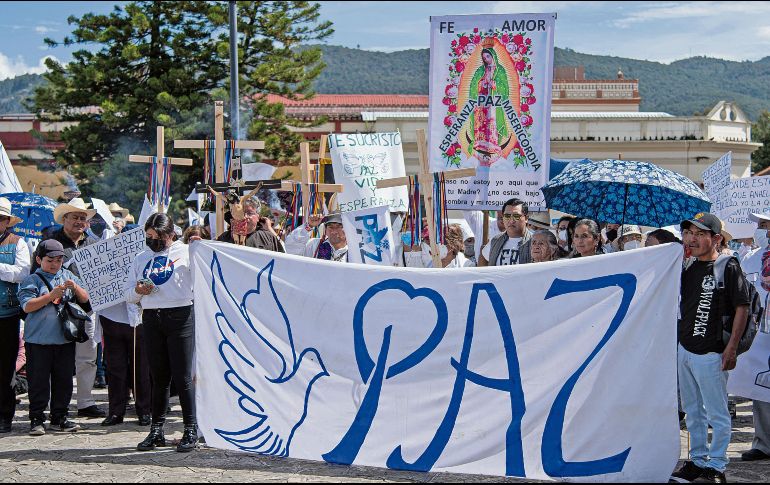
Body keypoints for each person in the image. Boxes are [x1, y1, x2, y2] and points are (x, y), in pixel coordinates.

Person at [672, 213, 751, 483]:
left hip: (712, 352)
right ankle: (696, 460)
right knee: (692, 411)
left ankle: (716, 466)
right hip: (686, 349)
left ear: (715, 238)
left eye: (699, 234)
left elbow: (742, 307)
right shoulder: (688, 267)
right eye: (689, 232)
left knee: (716, 413)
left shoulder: (727, 266)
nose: (692, 238)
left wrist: (731, 348)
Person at [127, 213, 197, 452]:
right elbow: (129, 295)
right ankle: (156, 430)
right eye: (149, 237)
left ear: (171, 235)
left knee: (183, 376)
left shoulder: (188, 252)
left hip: (180, 316)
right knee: (158, 378)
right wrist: (138, 291)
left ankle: (190, 428)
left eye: (158, 238)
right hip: (152, 317)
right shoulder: (141, 257)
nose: (153, 242)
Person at [38, 198, 105, 419]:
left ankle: (85, 401)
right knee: (56, 358)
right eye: (75, 217)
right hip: (57, 307)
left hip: (87, 308)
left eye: (82, 218)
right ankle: (55, 405)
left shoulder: (93, 244)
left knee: (88, 356)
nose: (79, 221)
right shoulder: (50, 242)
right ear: (64, 219)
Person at [19, 240, 91, 435]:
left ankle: (60, 417)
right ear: (39, 259)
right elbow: (27, 306)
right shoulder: (31, 280)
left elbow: (86, 299)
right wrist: (51, 295)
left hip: (64, 340)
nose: (55, 264)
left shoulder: (68, 275)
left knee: (64, 381)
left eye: (59, 260)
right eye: (50, 260)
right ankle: (37, 418)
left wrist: (75, 287)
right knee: (38, 382)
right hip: (38, 341)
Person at [740, 211, 770, 462]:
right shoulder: (752, 259)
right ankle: (763, 442)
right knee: (761, 390)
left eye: (765, 224)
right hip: (761, 335)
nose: (762, 230)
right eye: (761, 225)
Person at [0, 197, 30, 433]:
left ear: (7, 221)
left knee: (6, 367)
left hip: (7, 314)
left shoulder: (18, 243)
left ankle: (4, 415)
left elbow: (21, 273)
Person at [99, 300, 151, 427]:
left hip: (138, 317)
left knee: (141, 367)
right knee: (115, 367)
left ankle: (144, 410)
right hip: (111, 315)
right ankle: (116, 412)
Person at [468, 44, 511, 167]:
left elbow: (505, 90)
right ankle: (480, 147)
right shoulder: (480, 70)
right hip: (481, 106)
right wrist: (481, 84)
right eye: (484, 57)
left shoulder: (500, 70)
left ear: (493, 56)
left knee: (492, 126)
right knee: (480, 126)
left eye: (488, 56)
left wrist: (495, 85)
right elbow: (473, 87)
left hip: (494, 107)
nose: (486, 59)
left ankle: (493, 148)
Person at [478, 198, 532, 266]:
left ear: (526, 218)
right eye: (507, 216)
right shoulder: (495, 241)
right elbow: (483, 257)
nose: (511, 220)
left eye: (516, 216)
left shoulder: (534, 241)